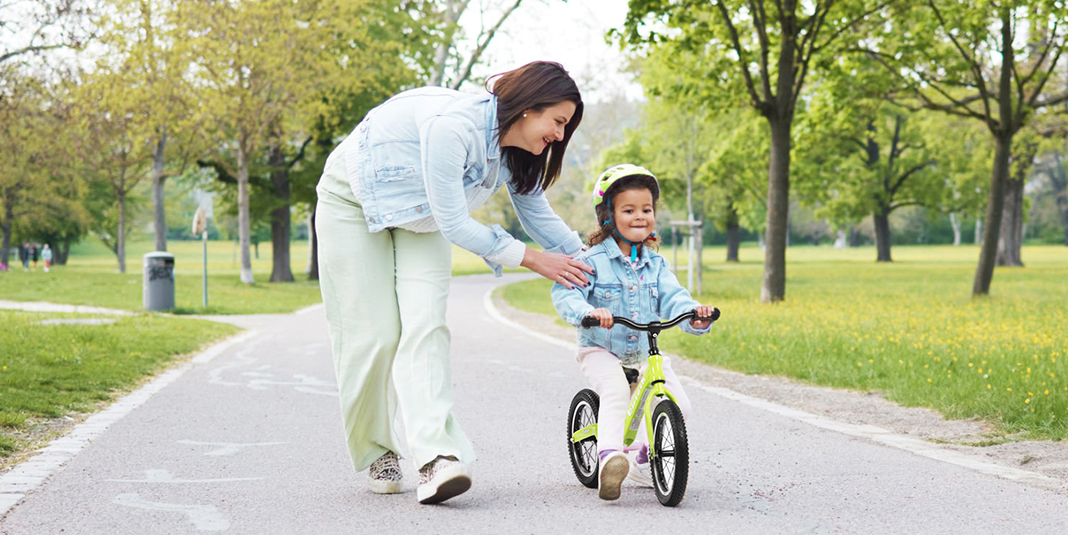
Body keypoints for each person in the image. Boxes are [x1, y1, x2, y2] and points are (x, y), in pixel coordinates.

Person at [315, 61, 595, 505]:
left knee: (426, 325)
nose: (559, 136)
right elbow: (455, 222)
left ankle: (436, 459)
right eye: (558, 122)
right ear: (528, 107)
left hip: (420, 220)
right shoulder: (455, 128)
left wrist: (590, 259)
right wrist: (533, 259)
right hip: (353, 199)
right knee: (375, 335)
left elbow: (538, 215)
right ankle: (379, 450)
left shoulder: (518, 152)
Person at [550, 164, 717, 501]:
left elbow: (674, 298)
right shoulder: (592, 260)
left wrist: (695, 316)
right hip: (601, 349)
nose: (640, 216)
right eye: (629, 210)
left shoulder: (657, 265)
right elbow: (565, 293)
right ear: (608, 217)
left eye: (647, 209)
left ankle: (641, 460)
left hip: (644, 350)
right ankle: (610, 458)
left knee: (678, 404)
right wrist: (589, 312)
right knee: (615, 392)